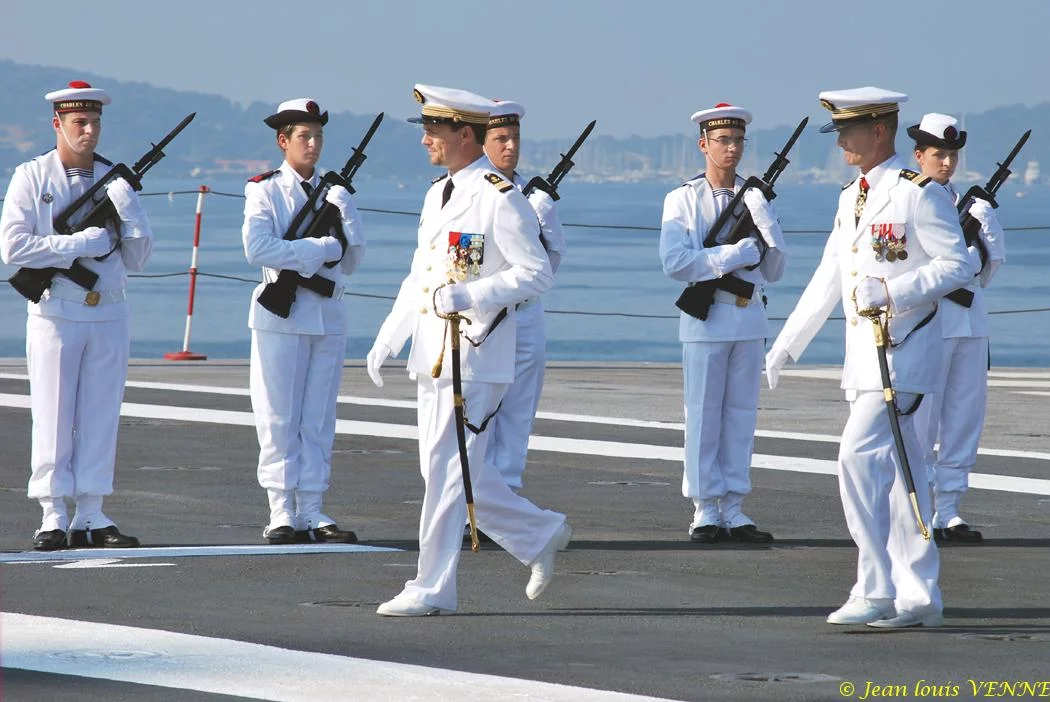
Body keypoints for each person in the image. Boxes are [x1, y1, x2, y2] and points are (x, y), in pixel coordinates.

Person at [765, 88, 972, 628]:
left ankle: (874, 586)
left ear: (878, 131)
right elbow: (830, 275)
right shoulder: (850, 195)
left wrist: (896, 291)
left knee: (856, 459)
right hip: (865, 359)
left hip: (905, 354)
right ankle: (920, 595)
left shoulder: (919, 193)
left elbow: (958, 266)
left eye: (847, 132)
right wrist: (788, 341)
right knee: (907, 474)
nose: (840, 143)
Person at [365, 85, 571, 616]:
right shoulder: (439, 194)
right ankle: (538, 532)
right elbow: (422, 273)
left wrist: (471, 294)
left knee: (446, 468)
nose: (427, 139)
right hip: (434, 352)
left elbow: (536, 272)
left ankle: (433, 585)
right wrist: (391, 334)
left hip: (477, 354)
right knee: (452, 469)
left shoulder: (501, 196)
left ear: (464, 133)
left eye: (435, 129)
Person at [0, 80, 152, 550]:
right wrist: (75, 244)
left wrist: (130, 214)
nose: (88, 131)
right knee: (53, 412)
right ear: (58, 125)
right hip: (57, 311)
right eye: (79, 123)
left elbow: (140, 258)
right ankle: (51, 512)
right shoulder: (32, 176)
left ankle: (91, 512)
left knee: (101, 414)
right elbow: (12, 247)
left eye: (95, 122)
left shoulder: (114, 181)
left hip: (108, 311)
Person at [658, 103, 786, 544]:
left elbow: (775, 272)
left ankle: (734, 506)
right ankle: (704, 509)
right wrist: (731, 255)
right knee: (703, 416)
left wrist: (766, 222)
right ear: (703, 145)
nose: (731, 148)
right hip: (706, 320)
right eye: (722, 141)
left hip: (748, 318)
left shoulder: (753, 199)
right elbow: (675, 262)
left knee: (740, 417)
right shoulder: (682, 200)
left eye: (737, 141)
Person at [242, 98, 365, 545]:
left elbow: (352, 260)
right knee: (277, 416)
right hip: (282, 315)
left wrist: (345, 213)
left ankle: (312, 508)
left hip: (328, 316)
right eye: (303, 137)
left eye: (317, 136)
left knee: (318, 417)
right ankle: (280, 510)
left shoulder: (335, 193)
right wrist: (317, 251)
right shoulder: (264, 190)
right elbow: (258, 249)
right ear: (283, 141)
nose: (312, 145)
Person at [907, 113, 1005, 543]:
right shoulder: (910, 201)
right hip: (931, 322)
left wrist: (989, 233)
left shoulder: (967, 202)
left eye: (952, 155)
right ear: (919, 155)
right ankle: (920, 509)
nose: (946, 163)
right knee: (924, 423)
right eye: (938, 154)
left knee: (965, 418)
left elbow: (984, 274)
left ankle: (949, 508)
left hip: (969, 323)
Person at [481, 100, 567, 492]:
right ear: (480, 142)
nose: (510, 146)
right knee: (483, 416)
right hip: (486, 317)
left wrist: (542, 227)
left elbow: (550, 265)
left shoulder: (534, 196)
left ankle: (509, 497)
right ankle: (480, 505)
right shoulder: (472, 194)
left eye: (514, 138)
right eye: (500, 138)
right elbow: (468, 265)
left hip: (527, 314)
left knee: (518, 415)